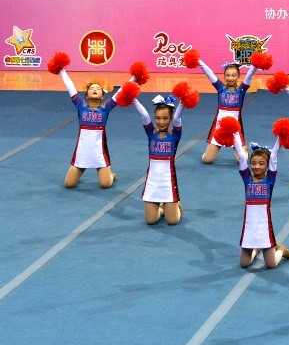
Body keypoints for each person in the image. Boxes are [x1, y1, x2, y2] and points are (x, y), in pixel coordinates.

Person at [48, 51, 135, 189]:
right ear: (87, 95)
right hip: (82, 151)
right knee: (69, 184)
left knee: (105, 184)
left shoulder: (106, 108)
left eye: (98, 89)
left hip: (99, 151)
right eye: (92, 88)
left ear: (102, 96)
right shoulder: (81, 106)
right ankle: (83, 170)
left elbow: (121, 91)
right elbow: (70, 87)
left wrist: (135, 77)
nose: (94, 89)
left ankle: (110, 175)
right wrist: (61, 69)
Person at [220, 119, 289, 268]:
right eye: (253, 163)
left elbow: (274, 156)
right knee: (244, 263)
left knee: (271, 265)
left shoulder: (270, 181)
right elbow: (242, 157)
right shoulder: (247, 179)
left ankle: (280, 250)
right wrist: (233, 134)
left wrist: (281, 137)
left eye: (261, 163)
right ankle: (257, 249)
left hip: (264, 227)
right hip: (249, 226)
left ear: (267, 166)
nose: (257, 166)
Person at [187, 48, 263, 164]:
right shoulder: (220, 88)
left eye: (233, 75)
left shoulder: (242, 90)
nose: (230, 78)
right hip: (219, 127)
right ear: (224, 76)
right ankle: (210, 152)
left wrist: (255, 65)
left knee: (241, 160)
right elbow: (209, 73)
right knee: (207, 160)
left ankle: (245, 149)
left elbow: (249, 76)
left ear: (238, 76)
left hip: (235, 128)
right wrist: (198, 61)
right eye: (227, 75)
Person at [132, 93, 186, 225]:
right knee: (150, 221)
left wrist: (183, 100)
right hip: (152, 182)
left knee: (172, 221)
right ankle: (162, 209)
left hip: (168, 182)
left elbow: (178, 117)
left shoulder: (175, 135)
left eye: (165, 118)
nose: (161, 122)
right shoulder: (151, 133)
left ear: (171, 118)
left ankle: (177, 206)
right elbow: (145, 116)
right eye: (158, 118)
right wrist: (133, 99)